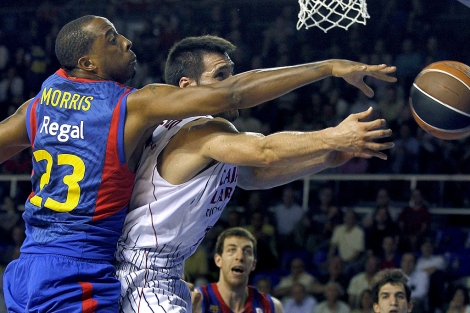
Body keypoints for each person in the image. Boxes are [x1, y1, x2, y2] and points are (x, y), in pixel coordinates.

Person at [0, 16, 397, 312]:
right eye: (112, 38)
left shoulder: (38, 106)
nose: (126, 40)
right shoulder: (137, 108)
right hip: (89, 271)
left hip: (28, 262)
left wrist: (328, 155)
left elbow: (254, 172)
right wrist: (327, 73)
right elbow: (246, 117)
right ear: (88, 62)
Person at [114, 35, 397, 312]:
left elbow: (254, 176)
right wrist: (332, 136)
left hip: (162, 271)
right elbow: (265, 151)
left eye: (232, 74)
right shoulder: (201, 129)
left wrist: (328, 158)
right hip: (145, 274)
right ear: (187, 86)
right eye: (221, 76)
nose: (234, 84)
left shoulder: (203, 137)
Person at [193, 227, 284, 313]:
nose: (240, 257)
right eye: (232, 250)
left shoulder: (272, 307)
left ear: (253, 264)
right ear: (218, 260)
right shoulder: (197, 300)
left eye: (247, 251)